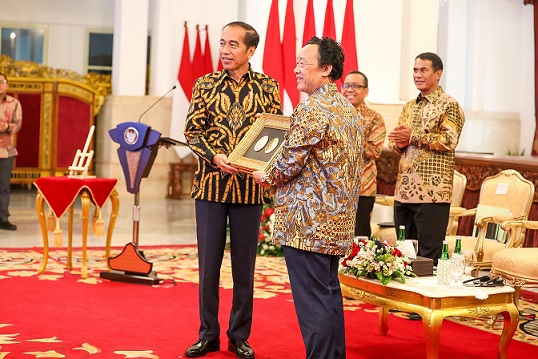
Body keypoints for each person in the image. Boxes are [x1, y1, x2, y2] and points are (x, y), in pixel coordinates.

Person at [253, 37, 363, 359]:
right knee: (327, 296)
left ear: (326, 68)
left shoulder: (312, 108)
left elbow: (289, 161)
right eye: (297, 62)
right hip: (336, 220)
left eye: (304, 63)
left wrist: (264, 175)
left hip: (308, 223)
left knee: (314, 302)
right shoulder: (348, 109)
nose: (296, 69)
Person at [183, 21, 282, 359]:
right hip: (210, 187)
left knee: (245, 269)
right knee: (208, 267)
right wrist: (214, 156)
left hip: (250, 192)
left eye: (233, 45)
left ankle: (239, 335)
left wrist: (261, 165)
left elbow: (276, 133)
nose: (224, 50)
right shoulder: (204, 84)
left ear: (251, 51)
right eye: (222, 44)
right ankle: (207, 334)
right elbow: (192, 132)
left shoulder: (269, 87)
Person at [387, 52, 465, 265]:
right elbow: (394, 141)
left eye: (423, 70)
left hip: (432, 193)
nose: (417, 75)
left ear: (438, 73)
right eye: (415, 70)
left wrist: (413, 137)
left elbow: (449, 140)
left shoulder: (449, 105)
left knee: (428, 259)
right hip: (404, 191)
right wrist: (399, 143)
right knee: (403, 256)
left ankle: (429, 298)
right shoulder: (409, 106)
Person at [341, 71, 386, 238]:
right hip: (334, 187)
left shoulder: (375, 118)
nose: (350, 90)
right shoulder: (334, 115)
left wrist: (353, 133)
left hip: (362, 187)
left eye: (356, 86)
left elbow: (375, 151)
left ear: (366, 91)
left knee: (359, 237)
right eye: (346, 85)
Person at [0, 72, 22, 231]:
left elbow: (18, 124)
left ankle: (3, 218)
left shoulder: (14, 103)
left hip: (6, 150)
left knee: (3, 186)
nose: (0, 85)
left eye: (3, 81)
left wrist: (7, 127)